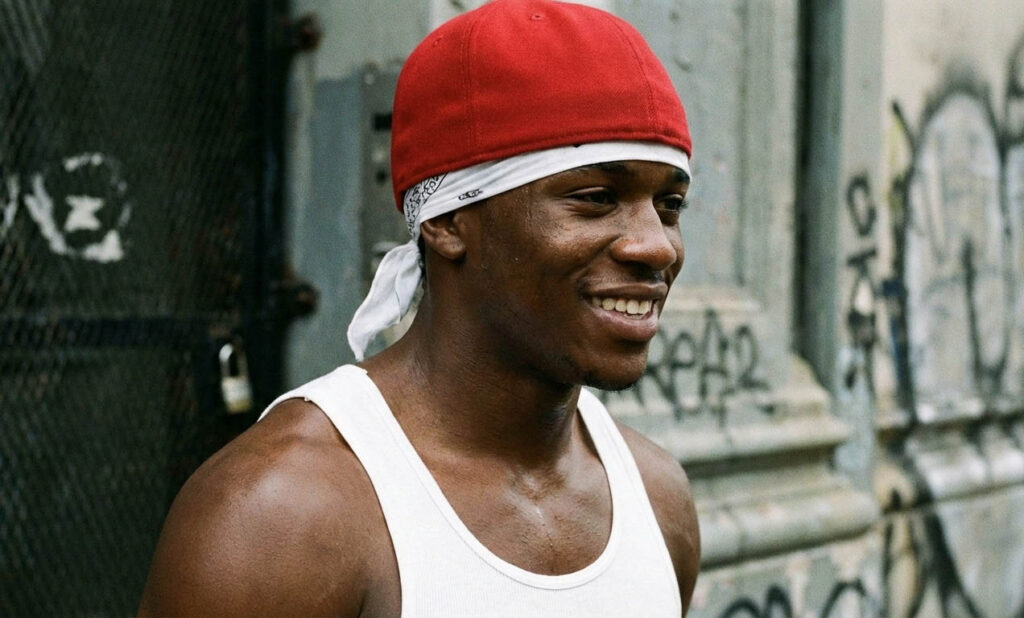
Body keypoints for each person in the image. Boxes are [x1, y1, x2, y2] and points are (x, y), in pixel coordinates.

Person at [139, 0, 700, 615]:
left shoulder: (655, 496)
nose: (655, 245)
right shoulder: (281, 518)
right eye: (595, 197)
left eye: (669, 205)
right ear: (449, 221)